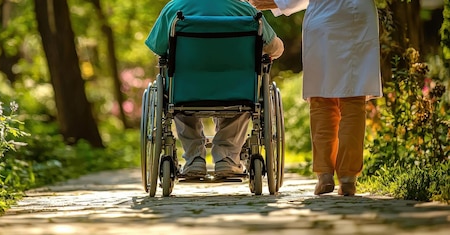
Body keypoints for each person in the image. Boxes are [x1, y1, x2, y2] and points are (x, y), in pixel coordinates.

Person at [249, 0, 382, 196]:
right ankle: (347, 179)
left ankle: (324, 175)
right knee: (353, 99)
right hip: (357, 18)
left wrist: (266, 3)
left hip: (323, 21)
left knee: (321, 99)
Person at [145, 0, 284, 179]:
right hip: (237, 88)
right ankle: (227, 158)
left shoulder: (174, 7)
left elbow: (158, 49)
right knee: (245, 98)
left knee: (175, 93)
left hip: (187, 88)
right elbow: (274, 47)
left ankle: (195, 158)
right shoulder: (245, 9)